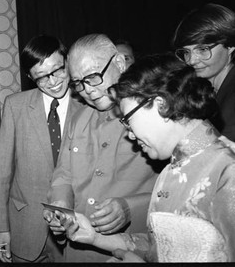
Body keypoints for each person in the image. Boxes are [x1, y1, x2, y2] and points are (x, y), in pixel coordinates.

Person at [61, 53, 235, 262]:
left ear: (160, 105)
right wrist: (95, 238)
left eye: (128, 119)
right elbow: (159, 248)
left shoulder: (227, 170)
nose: (130, 134)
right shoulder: (170, 170)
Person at [44, 34, 159, 262]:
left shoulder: (154, 111)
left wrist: (130, 208)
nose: (88, 90)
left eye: (94, 77)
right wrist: (60, 206)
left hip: (131, 248)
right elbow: (64, 174)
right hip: (77, 251)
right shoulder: (79, 119)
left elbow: (178, 190)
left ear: (119, 63)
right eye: (78, 83)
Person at [0, 35, 83, 263]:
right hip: (26, 226)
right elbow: (3, 172)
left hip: (77, 225)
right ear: (30, 78)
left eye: (58, 70)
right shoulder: (15, 106)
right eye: (41, 78)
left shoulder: (88, 103)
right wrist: (1, 228)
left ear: (67, 61)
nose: (53, 82)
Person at [172, 3, 235, 142]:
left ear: (230, 46)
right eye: (186, 52)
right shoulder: (206, 91)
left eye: (202, 49)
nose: (191, 61)